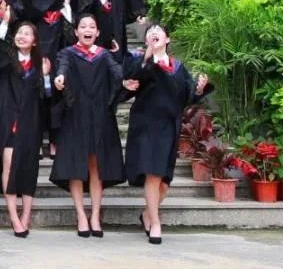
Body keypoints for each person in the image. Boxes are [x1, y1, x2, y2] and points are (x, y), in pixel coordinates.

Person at [123, 25, 211, 245]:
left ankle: (147, 214)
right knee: (152, 175)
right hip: (146, 125)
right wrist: (147, 58)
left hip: (170, 127)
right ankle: (155, 223)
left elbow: (187, 95)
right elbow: (130, 80)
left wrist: (199, 89)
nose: (154, 32)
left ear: (167, 39)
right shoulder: (138, 61)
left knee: (164, 182)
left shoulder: (178, 67)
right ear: (146, 40)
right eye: (150, 31)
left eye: (158, 30)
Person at [51, 14, 125, 238]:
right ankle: (81, 215)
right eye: (83, 26)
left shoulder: (104, 55)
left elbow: (117, 73)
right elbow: (62, 68)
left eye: (92, 26)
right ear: (76, 32)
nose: (87, 29)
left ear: (97, 32)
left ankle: (95, 215)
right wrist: (60, 78)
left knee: (96, 166)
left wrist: (126, 79)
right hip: (75, 115)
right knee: (75, 166)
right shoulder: (67, 53)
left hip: (100, 117)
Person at [0, 21, 50, 237]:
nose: (22, 36)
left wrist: (46, 76)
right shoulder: (6, 60)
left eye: (27, 33)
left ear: (35, 41)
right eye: (19, 33)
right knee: (9, 166)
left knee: (29, 168)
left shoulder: (41, 64)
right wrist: (3, 25)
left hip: (31, 123)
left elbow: (47, 97)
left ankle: (26, 215)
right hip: (7, 121)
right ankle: (13, 216)